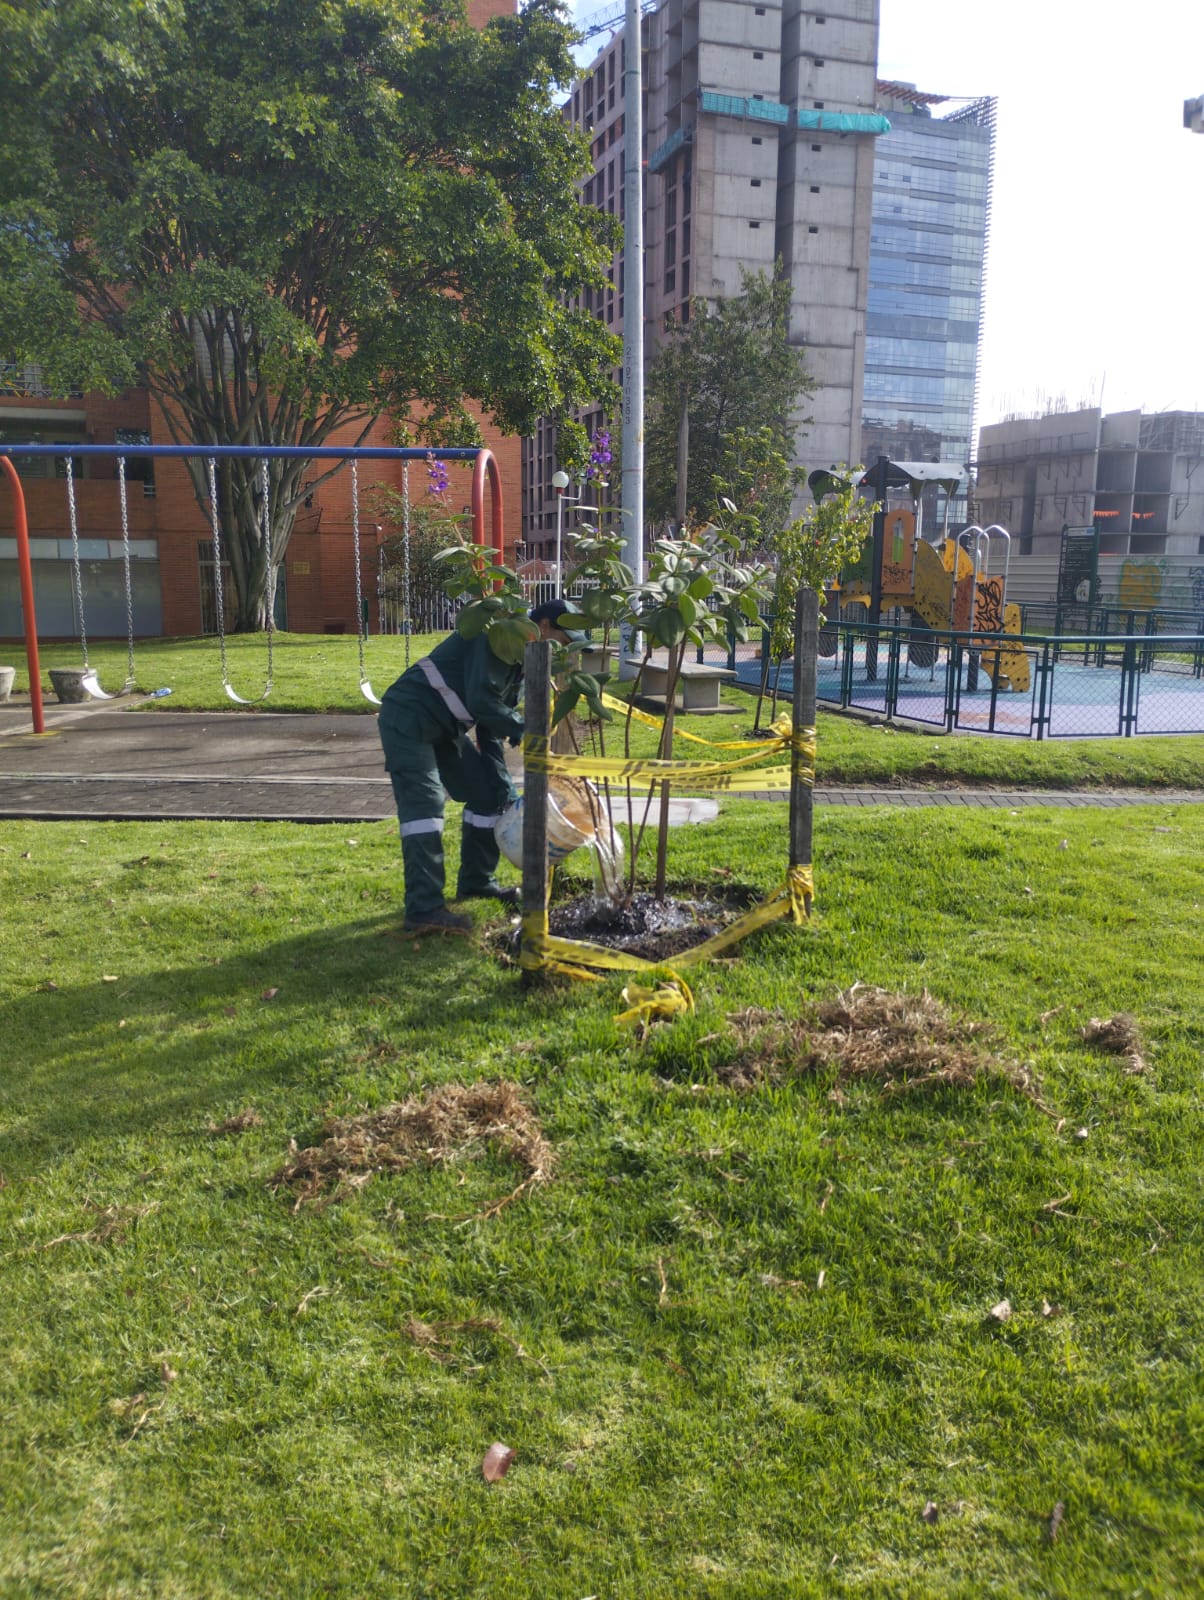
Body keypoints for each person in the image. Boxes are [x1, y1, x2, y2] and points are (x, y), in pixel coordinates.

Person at [378, 599, 585, 932]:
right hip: (409, 717)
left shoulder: (521, 659)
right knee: (425, 806)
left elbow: (490, 726)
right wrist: (524, 729)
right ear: (544, 626)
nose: (563, 649)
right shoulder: (494, 637)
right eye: (562, 639)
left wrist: (501, 780)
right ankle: (423, 908)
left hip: (445, 727)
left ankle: (476, 882)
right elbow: (480, 702)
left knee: (489, 794)